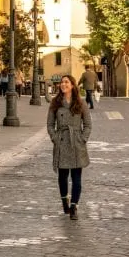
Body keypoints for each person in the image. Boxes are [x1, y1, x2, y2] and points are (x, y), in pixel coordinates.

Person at [46, 74, 92, 222]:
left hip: (76, 143)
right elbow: (49, 124)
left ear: (72, 85)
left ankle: (74, 206)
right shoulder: (55, 103)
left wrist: (82, 139)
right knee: (62, 177)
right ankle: (65, 200)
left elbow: (88, 124)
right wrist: (55, 138)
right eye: (61, 82)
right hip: (61, 141)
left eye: (66, 82)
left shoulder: (81, 103)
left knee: (76, 177)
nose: (63, 84)